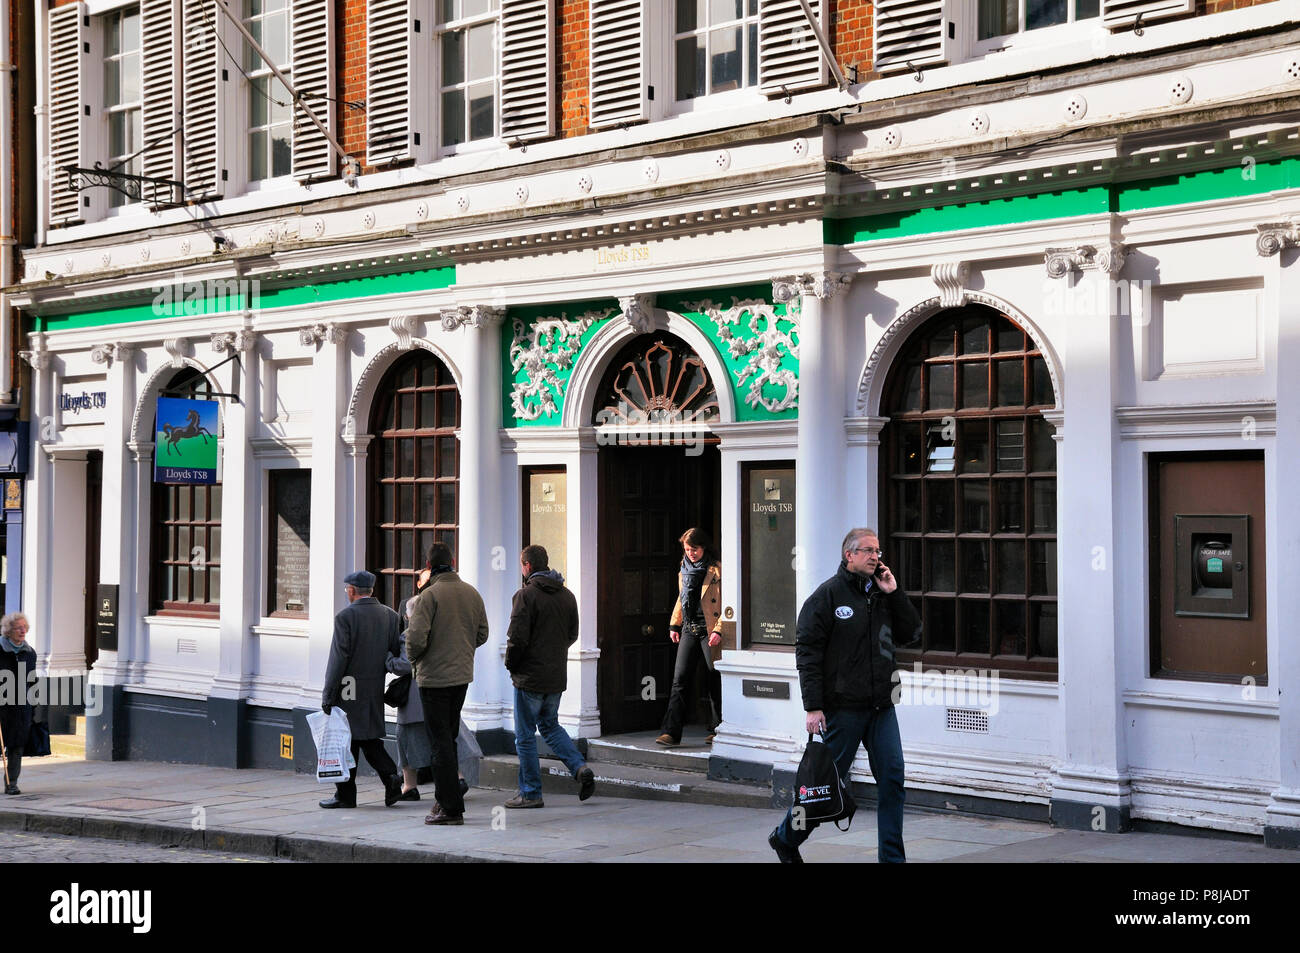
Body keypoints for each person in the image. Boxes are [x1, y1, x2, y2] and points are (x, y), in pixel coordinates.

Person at [768, 528, 920, 864]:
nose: (875, 556)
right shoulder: (827, 597)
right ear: (848, 555)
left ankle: (892, 860)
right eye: (867, 550)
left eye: (877, 551)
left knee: (893, 780)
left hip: (882, 708)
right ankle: (785, 837)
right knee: (823, 785)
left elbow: (911, 633)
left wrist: (894, 593)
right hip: (843, 710)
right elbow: (807, 653)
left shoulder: (882, 593)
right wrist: (813, 707)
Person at [503, 545, 595, 808]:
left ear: (527, 566)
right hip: (555, 676)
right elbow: (572, 635)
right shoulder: (567, 596)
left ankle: (531, 792)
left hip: (529, 677)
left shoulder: (525, 596)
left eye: (522, 565)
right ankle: (579, 767)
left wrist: (512, 665)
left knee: (525, 736)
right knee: (550, 726)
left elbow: (517, 639)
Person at [406, 542, 489, 826]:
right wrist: (462, 649)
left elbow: (415, 640)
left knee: (439, 742)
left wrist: (415, 659)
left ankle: (450, 807)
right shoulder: (472, 593)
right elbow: (482, 634)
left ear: (429, 567)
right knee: (449, 738)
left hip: (434, 679)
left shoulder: (429, 596)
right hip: (461, 677)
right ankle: (447, 800)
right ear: (452, 561)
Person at [319, 570, 403, 810]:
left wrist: (328, 695)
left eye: (347, 589)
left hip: (348, 687)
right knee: (365, 737)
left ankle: (347, 794)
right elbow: (394, 652)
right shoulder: (390, 616)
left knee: (349, 740)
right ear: (372, 590)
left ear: (353, 590)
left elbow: (338, 659)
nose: (346, 592)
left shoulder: (345, 617)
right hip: (374, 684)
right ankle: (388, 777)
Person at [388, 567, 472, 802]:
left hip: (417, 696)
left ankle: (410, 786)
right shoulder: (442, 629)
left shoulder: (410, 634)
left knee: (405, 740)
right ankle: (457, 779)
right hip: (444, 686)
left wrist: (388, 659)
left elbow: (405, 663)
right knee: (443, 737)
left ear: (409, 616)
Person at [655, 528, 724, 748]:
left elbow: (729, 603)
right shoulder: (684, 569)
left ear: (704, 547)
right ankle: (671, 732)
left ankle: (718, 728)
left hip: (710, 628)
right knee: (680, 680)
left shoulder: (717, 570)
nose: (691, 553)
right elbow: (681, 598)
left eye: (694, 549)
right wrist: (674, 624)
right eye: (687, 549)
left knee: (714, 678)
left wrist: (719, 630)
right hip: (689, 628)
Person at [0, 613, 36, 795]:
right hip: (2, 706)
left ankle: (11, 783)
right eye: (18, 628)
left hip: (21, 707)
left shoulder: (29, 653)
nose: (23, 631)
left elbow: (32, 680)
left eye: (25, 627)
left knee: (16, 745)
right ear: (8, 631)